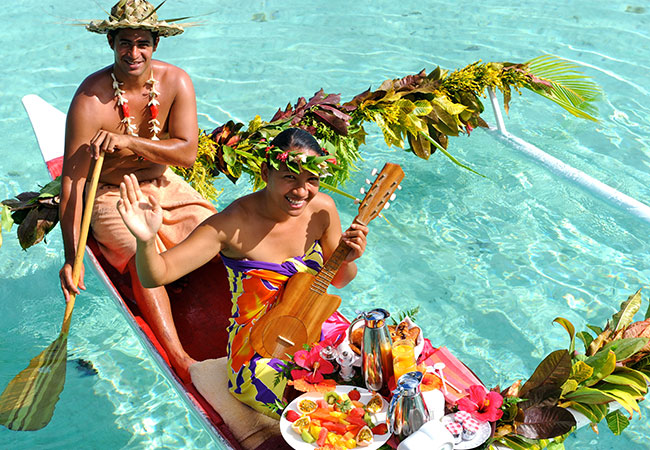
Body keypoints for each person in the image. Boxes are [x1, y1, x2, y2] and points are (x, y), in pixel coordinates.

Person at [118, 128, 369, 417]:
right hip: (259, 348)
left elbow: (340, 279)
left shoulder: (322, 209)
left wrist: (348, 258)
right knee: (306, 403)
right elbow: (157, 275)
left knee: (372, 360)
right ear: (266, 172)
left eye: (311, 180)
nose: (301, 192)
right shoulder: (229, 225)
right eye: (289, 177)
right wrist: (146, 239)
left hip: (315, 322)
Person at [59, 0, 215, 383]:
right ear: (111, 42)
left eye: (142, 42)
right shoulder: (89, 99)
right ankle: (179, 359)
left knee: (217, 232)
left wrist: (128, 144)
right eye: (125, 42)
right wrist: (71, 257)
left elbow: (187, 153)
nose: (133, 52)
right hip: (108, 192)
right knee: (136, 253)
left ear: (155, 44)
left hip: (164, 183)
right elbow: (73, 183)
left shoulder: (176, 82)